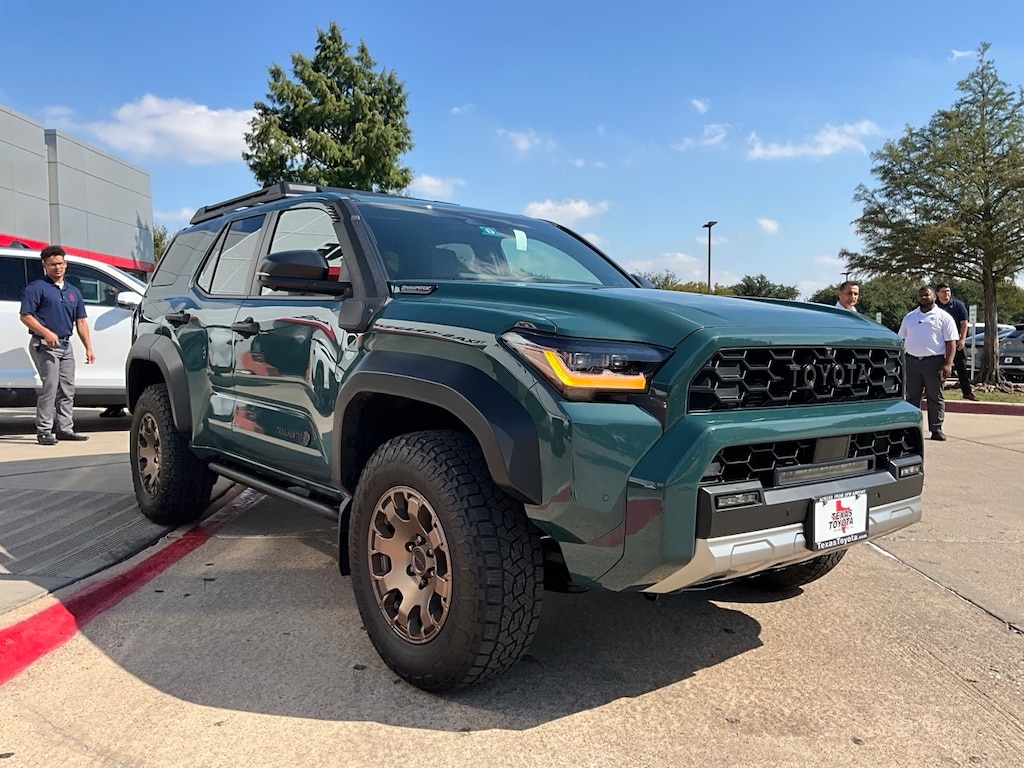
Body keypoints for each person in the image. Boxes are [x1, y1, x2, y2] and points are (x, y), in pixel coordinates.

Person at [19, 245, 95, 445]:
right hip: (44, 345)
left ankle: (65, 429)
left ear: (66, 264)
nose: (57, 268)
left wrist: (88, 347)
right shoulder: (36, 288)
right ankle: (44, 430)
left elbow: (81, 321)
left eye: (60, 263)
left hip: (65, 345)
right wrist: (45, 332)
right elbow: (25, 316)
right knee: (50, 387)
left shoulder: (73, 292)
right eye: (52, 264)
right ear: (44, 265)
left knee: (67, 388)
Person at [897, 286, 959, 441]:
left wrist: (948, 363)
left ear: (934, 297)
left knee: (935, 397)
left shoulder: (944, 317)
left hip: (934, 362)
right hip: (911, 361)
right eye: (921, 295)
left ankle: (936, 429)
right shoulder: (909, 317)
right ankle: (911, 429)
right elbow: (901, 339)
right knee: (912, 397)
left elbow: (951, 342)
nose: (924, 297)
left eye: (927, 294)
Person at [934, 283, 978, 401]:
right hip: (938, 342)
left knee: (961, 367)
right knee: (935, 367)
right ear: (937, 294)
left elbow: (964, 324)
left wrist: (962, 339)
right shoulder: (934, 306)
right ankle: (932, 392)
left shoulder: (958, 305)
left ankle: (967, 392)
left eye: (948, 291)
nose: (946, 294)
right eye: (943, 291)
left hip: (955, 341)